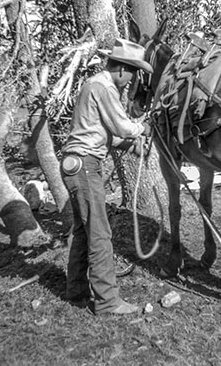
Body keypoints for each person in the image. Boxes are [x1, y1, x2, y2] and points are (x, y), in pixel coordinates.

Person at [60, 38, 153, 315]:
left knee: (83, 231)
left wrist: (126, 142)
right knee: (100, 234)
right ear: (123, 69)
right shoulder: (103, 86)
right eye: (133, 73)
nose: (132, 80)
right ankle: (107, 301)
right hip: (86, 166)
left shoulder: (93, 85)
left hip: (77, 164)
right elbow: (123, 127)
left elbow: (99, 131)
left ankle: (76, 290)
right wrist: (143, 129)